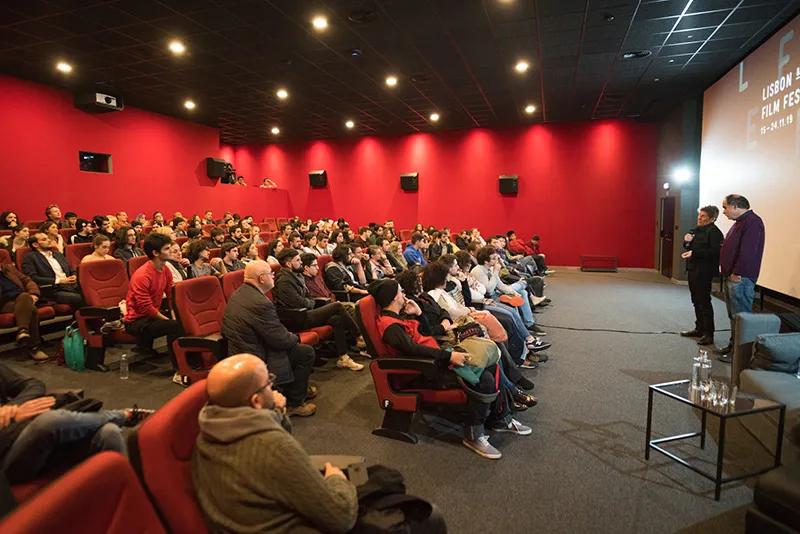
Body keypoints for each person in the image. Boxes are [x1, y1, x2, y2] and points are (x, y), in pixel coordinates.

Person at [191, 354, 360, 533]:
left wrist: (274, 410)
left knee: (362, 471)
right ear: (256, 401)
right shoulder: (275, 448)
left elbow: (277, 437)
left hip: (258, 513)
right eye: (268, 383)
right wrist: (336, 478)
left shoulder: (209, 431)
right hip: (300, 524)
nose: (273, 388)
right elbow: (341, 517)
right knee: (364, 476)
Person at [371, 279, 531, 459]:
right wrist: (449, 356)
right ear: (393, 298)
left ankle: (501, 418)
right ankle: (473, 435)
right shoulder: (390, 326)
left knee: (489, 364)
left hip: (434, 360)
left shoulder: (398, 317)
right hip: (423, 370)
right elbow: (413, 350)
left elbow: (426, 335)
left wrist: (419, 313)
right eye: (400, 292)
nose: (404, 295)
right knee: (484, 379)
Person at [0, 362, 153, 484]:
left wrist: (13, 407)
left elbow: (33, 385)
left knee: (109, 432)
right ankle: (123, 415)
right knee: (50, 421)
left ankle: (124, 501)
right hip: (6, 461)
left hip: (19, 431)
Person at [222, 262, 317, 417]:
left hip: (244, 350)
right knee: (305, 352)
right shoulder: (260, 303)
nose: (274, 276)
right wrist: (296, 337)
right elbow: (280, 339)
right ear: (261, 279)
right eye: (270, 274)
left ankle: (297, 389)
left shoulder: (241, 293)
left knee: (296, 348)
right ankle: (294, 403)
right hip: (255, 356)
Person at [273, 249, 364, 372]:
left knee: (336, 319)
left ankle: (343, 358)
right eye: (298, 260)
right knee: (337, 306)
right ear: (289, 264)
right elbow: (298, 302)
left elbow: (308, 297)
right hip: (297, 317)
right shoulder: (284, 280)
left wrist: (310, 302)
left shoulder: (296, 275)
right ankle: (359, 336)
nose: (301, 263)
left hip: (306, 311)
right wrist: (311, 302)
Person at [123, 232, 182, 385]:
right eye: (168, 249)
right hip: (136, 321)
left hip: (150, 316)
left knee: (179, 321)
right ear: (156, 253)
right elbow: (146, 308)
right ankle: (180, 370)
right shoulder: (142, 275)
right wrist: (171, 321)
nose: (172, 251)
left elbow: (171, 298)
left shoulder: (166, 270)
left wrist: (175, 317)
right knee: (174, 326)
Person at [716, 194, 766, 362]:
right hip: (735, 276)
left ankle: (741, 355)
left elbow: (748, 251)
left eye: (725, 207)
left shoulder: (752, 222)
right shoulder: (740, 223)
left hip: (741, 278)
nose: (723, 212)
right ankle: (734, 347)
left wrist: (737, 271)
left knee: (742, 317)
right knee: (734, 316)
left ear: (736, 206)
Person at [680, 206, 724, 347]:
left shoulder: (715, 233)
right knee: (696, 300)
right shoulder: (697, 229)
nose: (700, 218)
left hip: (705, 271)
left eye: (703, 216)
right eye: (700, 215)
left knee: (704, 301)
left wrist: (694, 253)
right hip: (693, 269)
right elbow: (689, 247)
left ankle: (708, 333)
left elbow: (714, 252)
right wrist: (686, 241)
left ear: (712, 218)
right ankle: (699, 328)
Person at [0, 262, 48, 361]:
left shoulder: (8, 268)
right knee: (29, 304)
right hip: (4, 304)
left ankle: (23, 333)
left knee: (30, 305)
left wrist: (34, 294)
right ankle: (33, 348)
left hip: (21, 300)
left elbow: (27, 281)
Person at [22, 232, 84, 309]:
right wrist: (59, 281)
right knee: (81, 298)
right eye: (44, 239)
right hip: (53, 289)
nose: (49, 240)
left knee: (94, 294)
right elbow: (33, 278)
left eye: (48, 238)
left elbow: (70, 269)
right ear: (35, 245)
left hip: (71, 285)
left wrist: (74, 276)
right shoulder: (30, 257)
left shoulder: (57, 254)